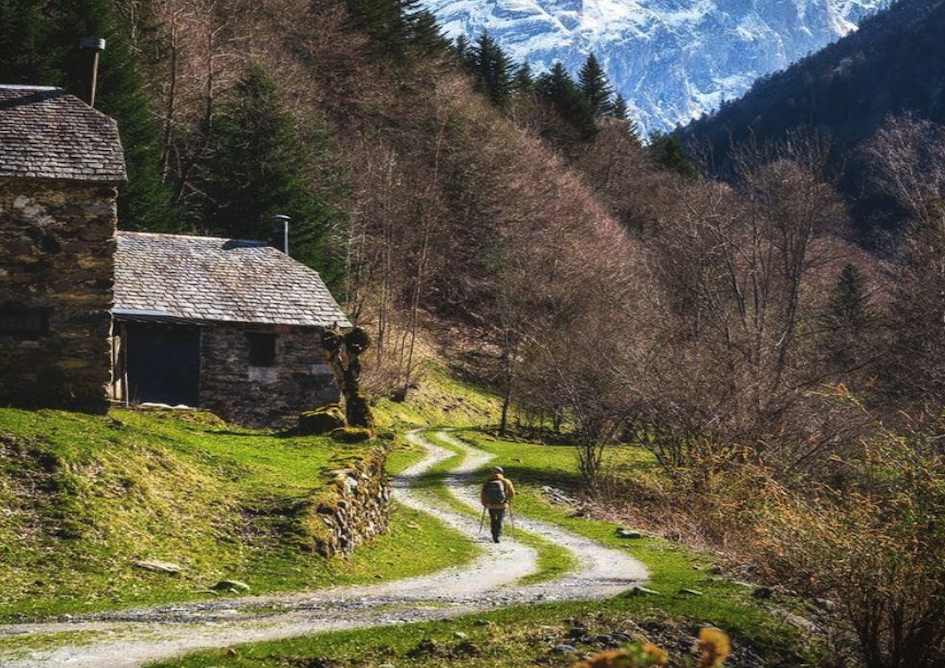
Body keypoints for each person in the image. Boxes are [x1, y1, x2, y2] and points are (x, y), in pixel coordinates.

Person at [480, 466, 515, 543]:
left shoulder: (488, 482)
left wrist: (485, 503)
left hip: (490, 505)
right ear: (501, 472)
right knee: (500, 520)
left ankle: (494, 534)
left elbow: (483, 493)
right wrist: (508, 499)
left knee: (493, 520)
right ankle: (498, 535)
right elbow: (512, 493)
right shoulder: (506, 481)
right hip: (502, 505)